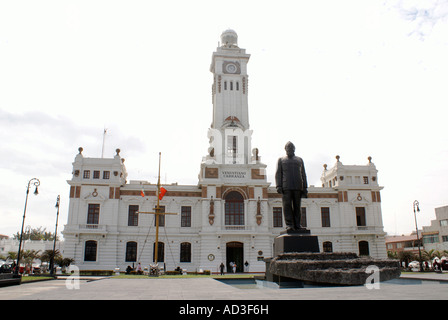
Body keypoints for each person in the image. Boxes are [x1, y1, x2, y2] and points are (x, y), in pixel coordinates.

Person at [275, 141, 308, 232]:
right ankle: (289, 225)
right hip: (286, 186)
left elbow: (303, 174)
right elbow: (278, 173)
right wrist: (278, 185)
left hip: (298, 186)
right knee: (287, 206)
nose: (290, 149)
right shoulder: (281, 160)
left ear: (294, 149)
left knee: (297, 206)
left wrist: (305, 187)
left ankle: (298, 225)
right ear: (285, 149)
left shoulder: (299, 159)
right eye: (288, 148)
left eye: (291, 147)